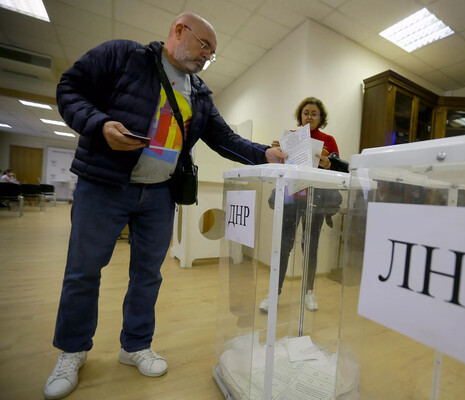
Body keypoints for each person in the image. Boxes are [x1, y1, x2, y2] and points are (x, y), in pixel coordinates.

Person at [43, 12, 286, 400]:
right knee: (83, 271)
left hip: (159, 194)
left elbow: (225, 139)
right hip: (104, 184)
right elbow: (70, 87)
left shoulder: (200, 93)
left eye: (212, 52)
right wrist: (100, 124)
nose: (207, 56)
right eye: (204, 45)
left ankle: (135, 345)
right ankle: (72, 351)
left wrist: (265, 153)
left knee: (147, 274)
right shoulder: (124, 55)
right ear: (179, 30)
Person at [259, 97, 341, 313]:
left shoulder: (329, 140)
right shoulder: (291, 138)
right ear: (300, 116)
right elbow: (283, 166)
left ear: (320, 117)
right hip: (292, 197)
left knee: (310, 247)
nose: (309, 117)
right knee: (284, 246)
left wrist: (328, 164)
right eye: (306, 113)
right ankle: (274, 292)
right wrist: (277, 152)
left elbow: (338, 172)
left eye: (314, 113)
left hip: (316, 200)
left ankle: (309, 291)